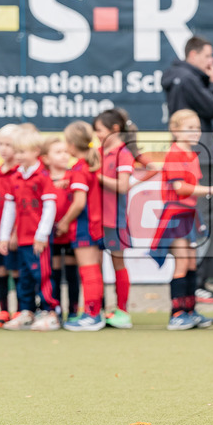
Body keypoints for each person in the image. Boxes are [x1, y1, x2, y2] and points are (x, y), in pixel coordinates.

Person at [162, 35, 213, 304]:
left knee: (197, 224)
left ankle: (189, 298)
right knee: (204, 220)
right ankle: (195, 287)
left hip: (196, 159)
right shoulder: (189, 78)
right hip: (199, 159)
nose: (211, 62)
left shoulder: (176, 77)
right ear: (194, 54)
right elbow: (212, 108)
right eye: (208, 56)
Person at [158, 110, 213, 331]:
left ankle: (190, 311)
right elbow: (180, 188)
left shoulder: (190, 154)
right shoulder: (175, 153)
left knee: (190, 263)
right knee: (181, 262)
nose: (195, 132)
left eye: (197, 127)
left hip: (188, 215)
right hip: (176, 215)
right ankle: (177, 314)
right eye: (189, 128)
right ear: (175, 130)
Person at [0, 125, 62, 331]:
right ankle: (26, 312)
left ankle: (50, 311)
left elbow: (50, 207)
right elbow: (9, 208)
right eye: (16, 151)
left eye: (21, 151)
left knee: (42, 275)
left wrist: (42, 234)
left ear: (35, 152)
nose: (17, 155)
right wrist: (4, 236)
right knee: (24, 277)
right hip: (22, 239)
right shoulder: (15, 177)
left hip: (37, 240)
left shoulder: (43, 176)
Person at [57, 122, 106, 332]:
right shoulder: (88, 164)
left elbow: (79, 203)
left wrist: (64, 222)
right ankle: (95, 312)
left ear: (71, 144)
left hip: (85, 225)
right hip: (96, 223)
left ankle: (92, 315)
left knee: (88, 270)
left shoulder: (79, 168)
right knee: (93, 268)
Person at [93, 108, 138, 329]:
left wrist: (98, 177)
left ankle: (122, 311)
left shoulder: (123, 153)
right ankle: (97, 311)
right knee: (96, 265)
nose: (96, 134)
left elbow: (123, 185)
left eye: (99, 130)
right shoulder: (97, 152)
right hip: (95, 219)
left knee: (118, 262)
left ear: (115, 130)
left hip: (116, 220)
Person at [41, 137, 79, 323]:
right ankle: (54, 311)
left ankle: (73, 311)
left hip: (71, 232)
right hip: (52, 235)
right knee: (53, 273)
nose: (64, 156)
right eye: (58, 152)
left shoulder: (74, 176)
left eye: (66, 151)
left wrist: (66, 222)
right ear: (46, 158)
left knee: (72, 273)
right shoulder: (42, 178)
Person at [0, 124, 21, 328]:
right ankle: (3, 309)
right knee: (0, 270)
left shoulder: (19, 173)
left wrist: (14, 232)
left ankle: (19, 309)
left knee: (15, 270)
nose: (4, 148)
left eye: (8, 144)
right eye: (1, 144)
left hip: (13, 232)